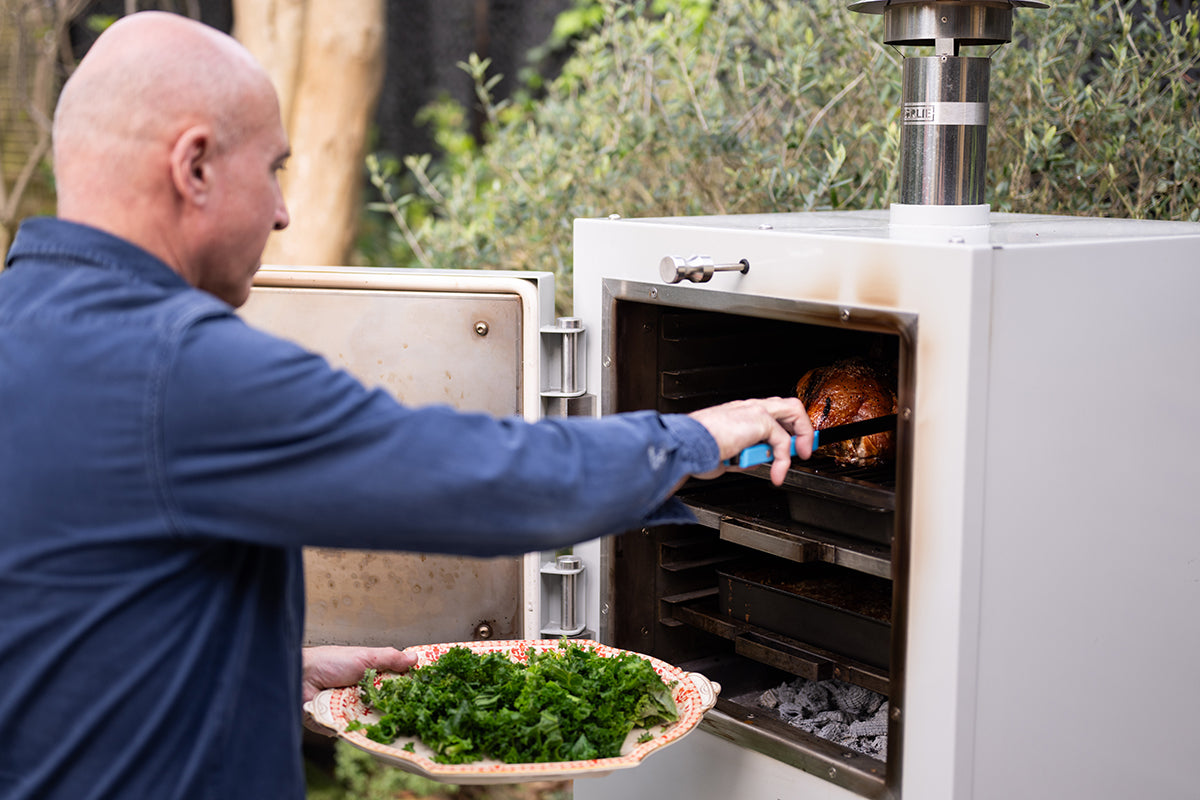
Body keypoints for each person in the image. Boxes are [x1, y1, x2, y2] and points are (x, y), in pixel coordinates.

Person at [0, 11, 813, 800]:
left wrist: (267, 667)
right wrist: (692, 438)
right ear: (197, 165)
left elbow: (68, 613)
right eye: (275, 167)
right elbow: (474, 478)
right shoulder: (179, 366)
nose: (283, 211)